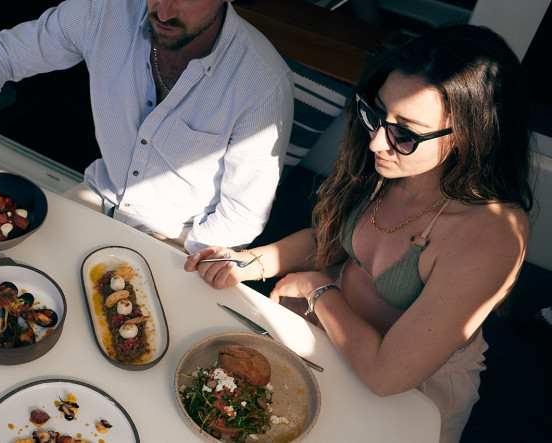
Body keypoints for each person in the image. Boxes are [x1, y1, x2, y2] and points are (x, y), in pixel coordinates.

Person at [184, 24, 532, 442]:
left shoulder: (490, 236)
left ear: (470, 135)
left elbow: (387, 376)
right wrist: (250, 262)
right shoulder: (394, 164)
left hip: (407, 393)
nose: (375, 143)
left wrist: (317, 290)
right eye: (376, 114)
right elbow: (327, 239)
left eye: (404, 132)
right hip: (329, 335)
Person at [0, 0, 293, 252]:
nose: (162, 11)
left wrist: (173, 261)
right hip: (96, 197)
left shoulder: (262, 84)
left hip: (182, 238)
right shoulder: (107, 10)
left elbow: (240, 217)